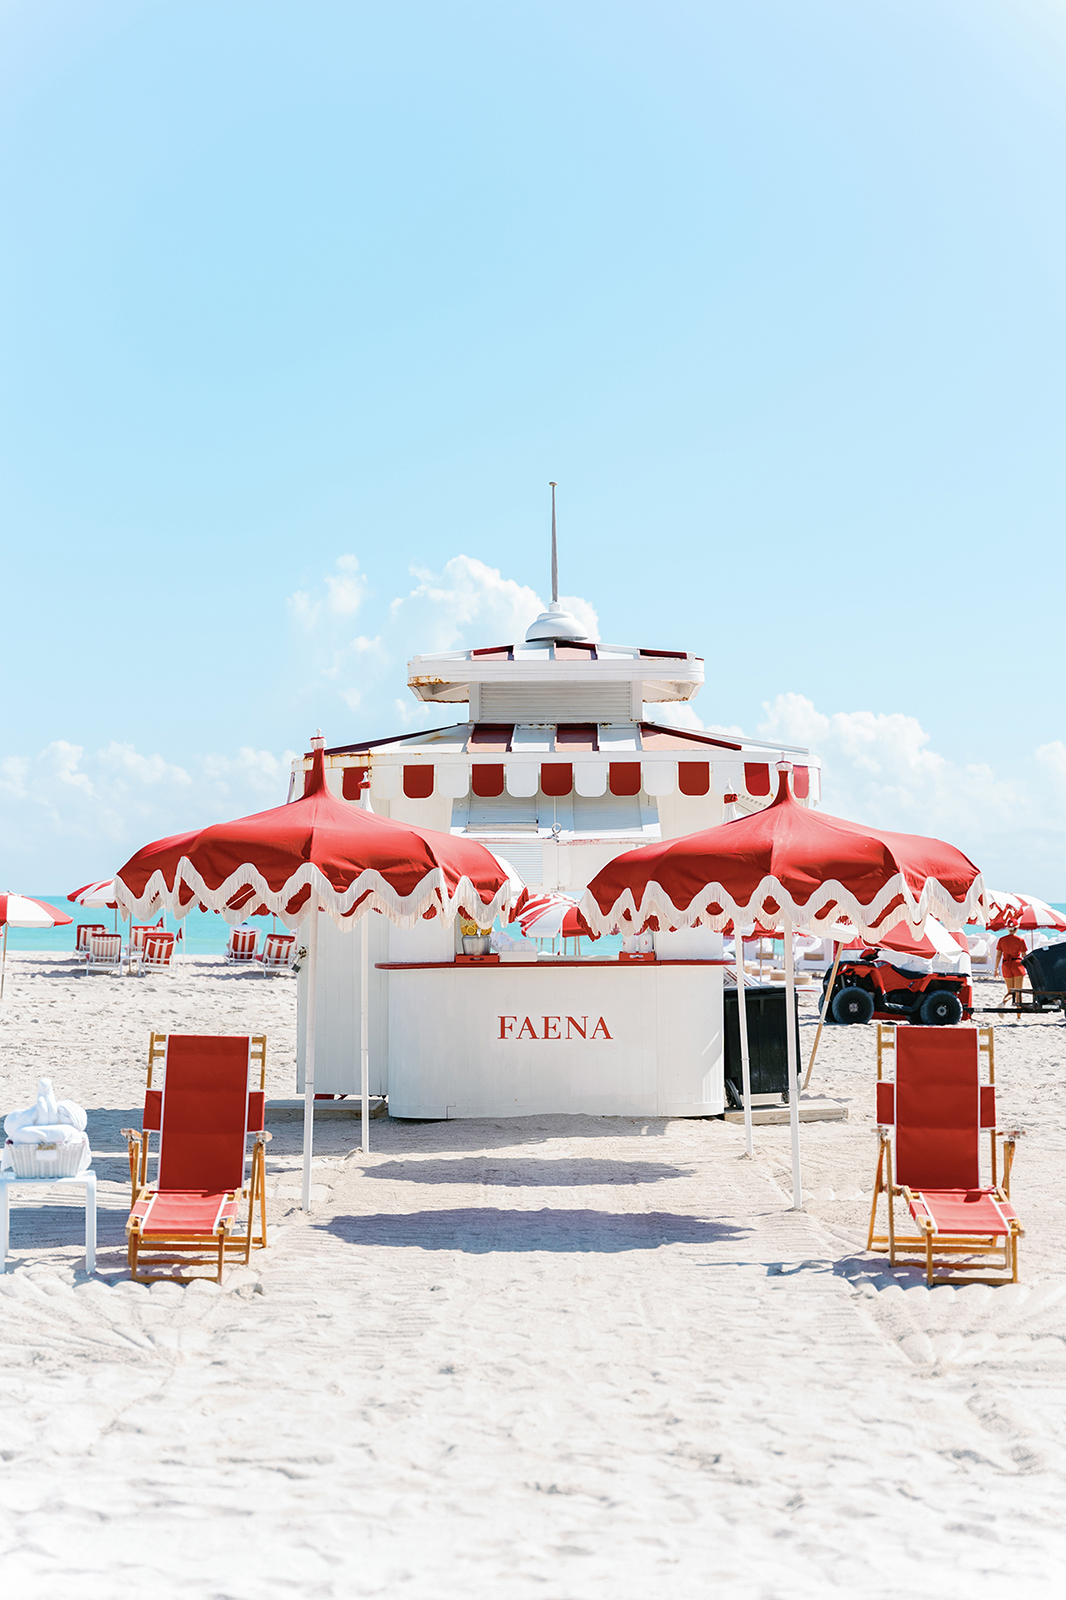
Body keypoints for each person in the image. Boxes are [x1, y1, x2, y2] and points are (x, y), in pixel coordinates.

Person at [996, 927, 1028, 1011]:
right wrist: (1029, 967)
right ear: (1016, 929)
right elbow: (1024, 956)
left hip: (1006, 965)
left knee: (1010, 992)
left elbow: (998, 956)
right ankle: (1019, 1016)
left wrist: (996, 969)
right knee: (1018, 993)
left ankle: (1003, 1003)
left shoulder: (1002, 940)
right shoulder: (1020, 940)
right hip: (1017, 966)